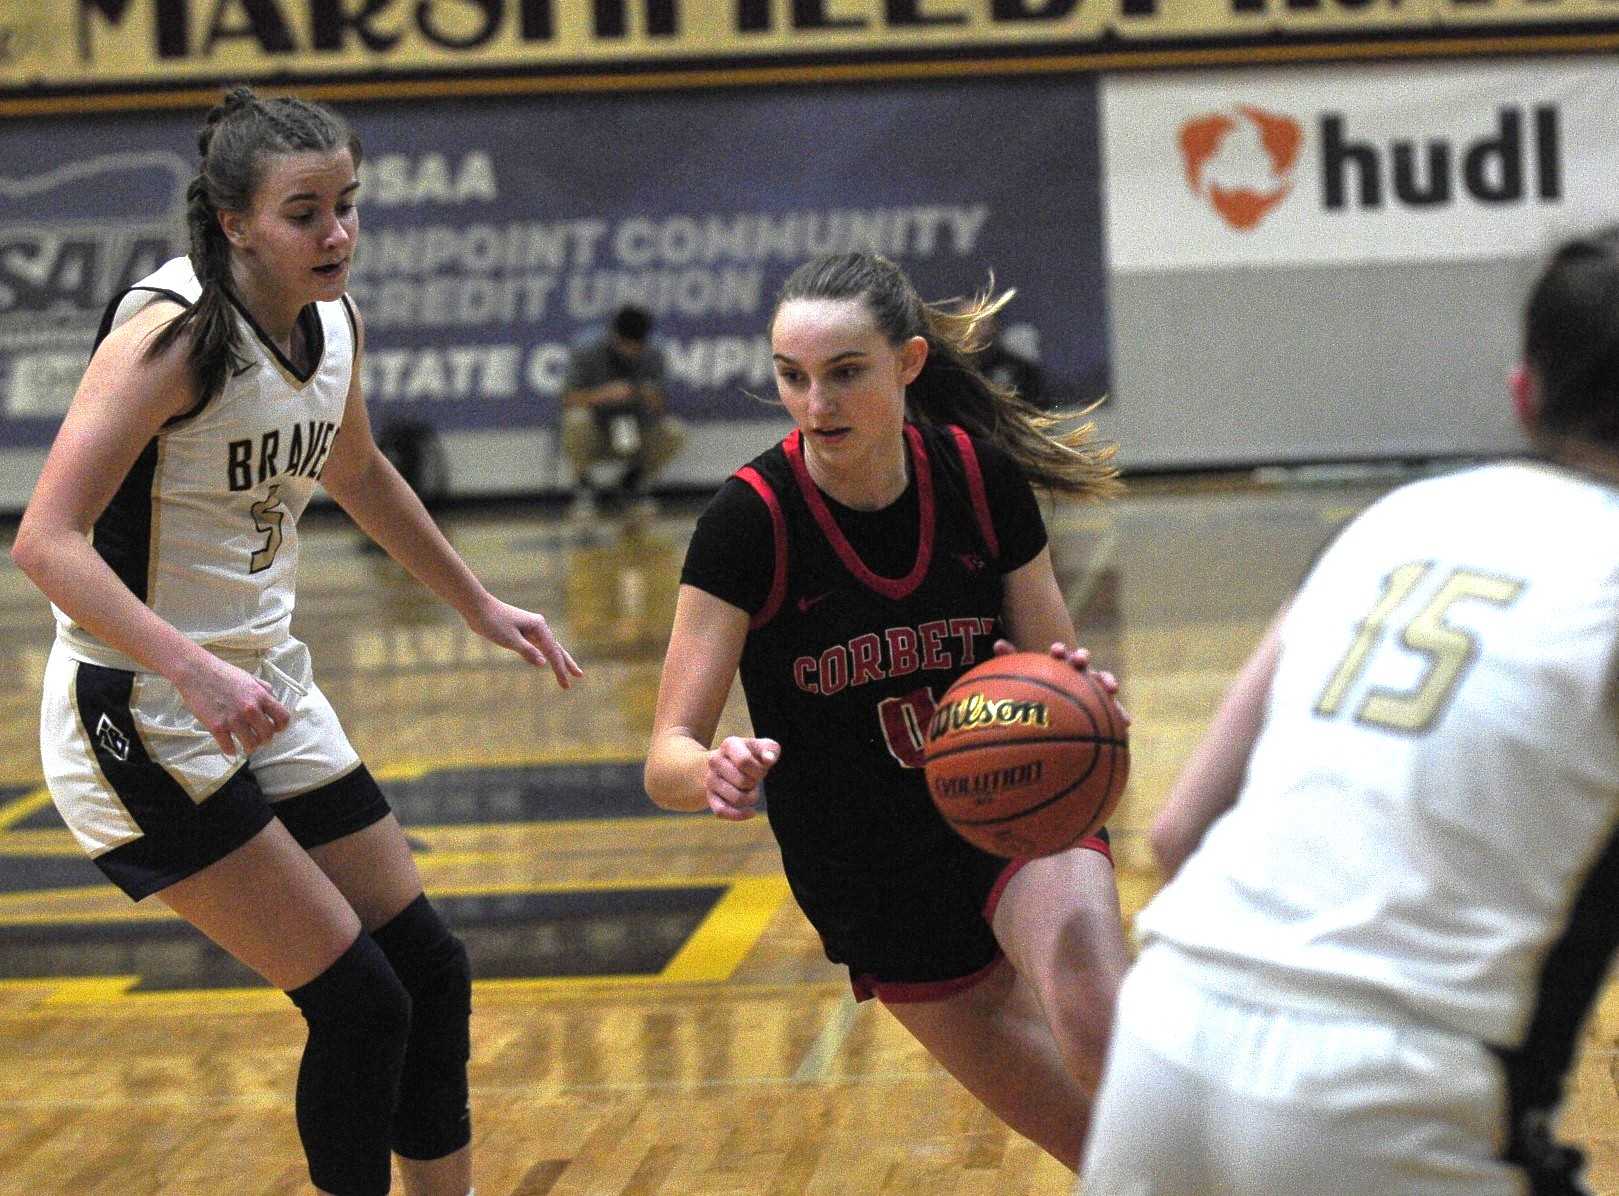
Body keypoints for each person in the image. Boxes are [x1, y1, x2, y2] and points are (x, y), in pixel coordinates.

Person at [9, 87, 582, 1196]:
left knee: (430, 968)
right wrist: (191, 662)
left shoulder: (335, 323)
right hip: (137, 704)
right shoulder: (172, 339)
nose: (336, 235)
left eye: (348, 207)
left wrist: (475, 601)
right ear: (234, 223)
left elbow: (355, 469)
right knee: (360, 1002)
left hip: (261, 685)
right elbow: (46, 538)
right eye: (305, 212)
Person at [1080, 227, 1619, 1196]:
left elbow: (1176, 829)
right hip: (1390, 1089)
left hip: (1166, 1034)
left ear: (1521, 393)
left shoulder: (1390, 520)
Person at [643, 251, 1130, 1169]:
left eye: (844, 373)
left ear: (908, 362)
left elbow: (1051, 663)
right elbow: (664, 754)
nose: (815, 401)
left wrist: (1082, 703)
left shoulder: (979, 481)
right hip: (873, 875)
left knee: (1103, 1027)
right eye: (792, 378)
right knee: (1104, 1152)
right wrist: (708, 770)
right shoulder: (750, 522)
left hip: (1014, 810)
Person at [560, 304, 686, 518]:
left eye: (636, 347)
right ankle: (585, 486)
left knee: (674, 431)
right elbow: (568, 399)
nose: (630, 351)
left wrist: (646, 395)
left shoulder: (654, 353)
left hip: (632, 425)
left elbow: (661, 405)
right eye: (624, 345)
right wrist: (603, 395)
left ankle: (633, 483)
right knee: (575, 420)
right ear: (614, 336)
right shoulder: (586, 349)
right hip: (597, 426)